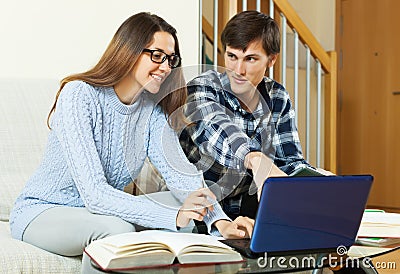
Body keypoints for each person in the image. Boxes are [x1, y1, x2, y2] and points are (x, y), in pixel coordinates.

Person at [9, 12, 252, 273]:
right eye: (157, 55)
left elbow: (183, 177)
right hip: (43, 212)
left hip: (99, 213)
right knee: (117, 230)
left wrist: (221, 223)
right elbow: (94, 194)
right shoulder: (79, 95)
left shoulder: (151, 111)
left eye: (171, 59)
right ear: (130, 50)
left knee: (190, 210)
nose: (166, 67)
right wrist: (171, 217)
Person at [179, 10, 318, 221]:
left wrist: (317, 179)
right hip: (199, 208)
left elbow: (288, 161)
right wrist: (255, 159)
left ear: (271, 60)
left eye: (250, 59)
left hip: (250, 209)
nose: (238, 70)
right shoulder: (203, 87)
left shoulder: (277, 96)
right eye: (231, 56)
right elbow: (217, 129)